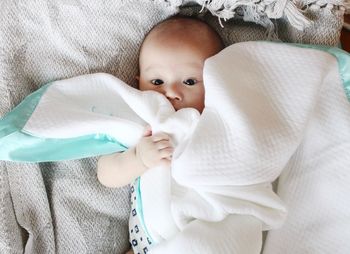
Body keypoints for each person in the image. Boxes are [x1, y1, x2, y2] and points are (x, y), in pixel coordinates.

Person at [97, 16, 224, 253]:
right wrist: (138, 158)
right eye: (157, 81)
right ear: (138, 87)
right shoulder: (141, 128)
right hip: (151, 243)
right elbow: (106, 174)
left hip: (205, 237)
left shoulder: (217, 123)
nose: (171, 92)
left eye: (189, 81)